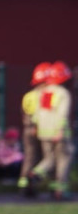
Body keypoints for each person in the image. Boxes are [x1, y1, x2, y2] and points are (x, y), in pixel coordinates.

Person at [28, 61, 73, 200]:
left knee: (49, 159)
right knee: (64, 160)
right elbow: (63, 114)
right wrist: (60, 130)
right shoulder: (63, 94)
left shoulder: (43, 92)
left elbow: (38, 112)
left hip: (44, 132)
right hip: (58, 133)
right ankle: (60, 190)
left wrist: (36, 127)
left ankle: (36, 173)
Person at [18, 62, 51, 195]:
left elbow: (25, 113)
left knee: (30, 157)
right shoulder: (45, 96)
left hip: (27, 129)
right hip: (39, 129)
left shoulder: (28, 95)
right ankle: (34, 182)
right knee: (46, 157)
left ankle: (23, 183)